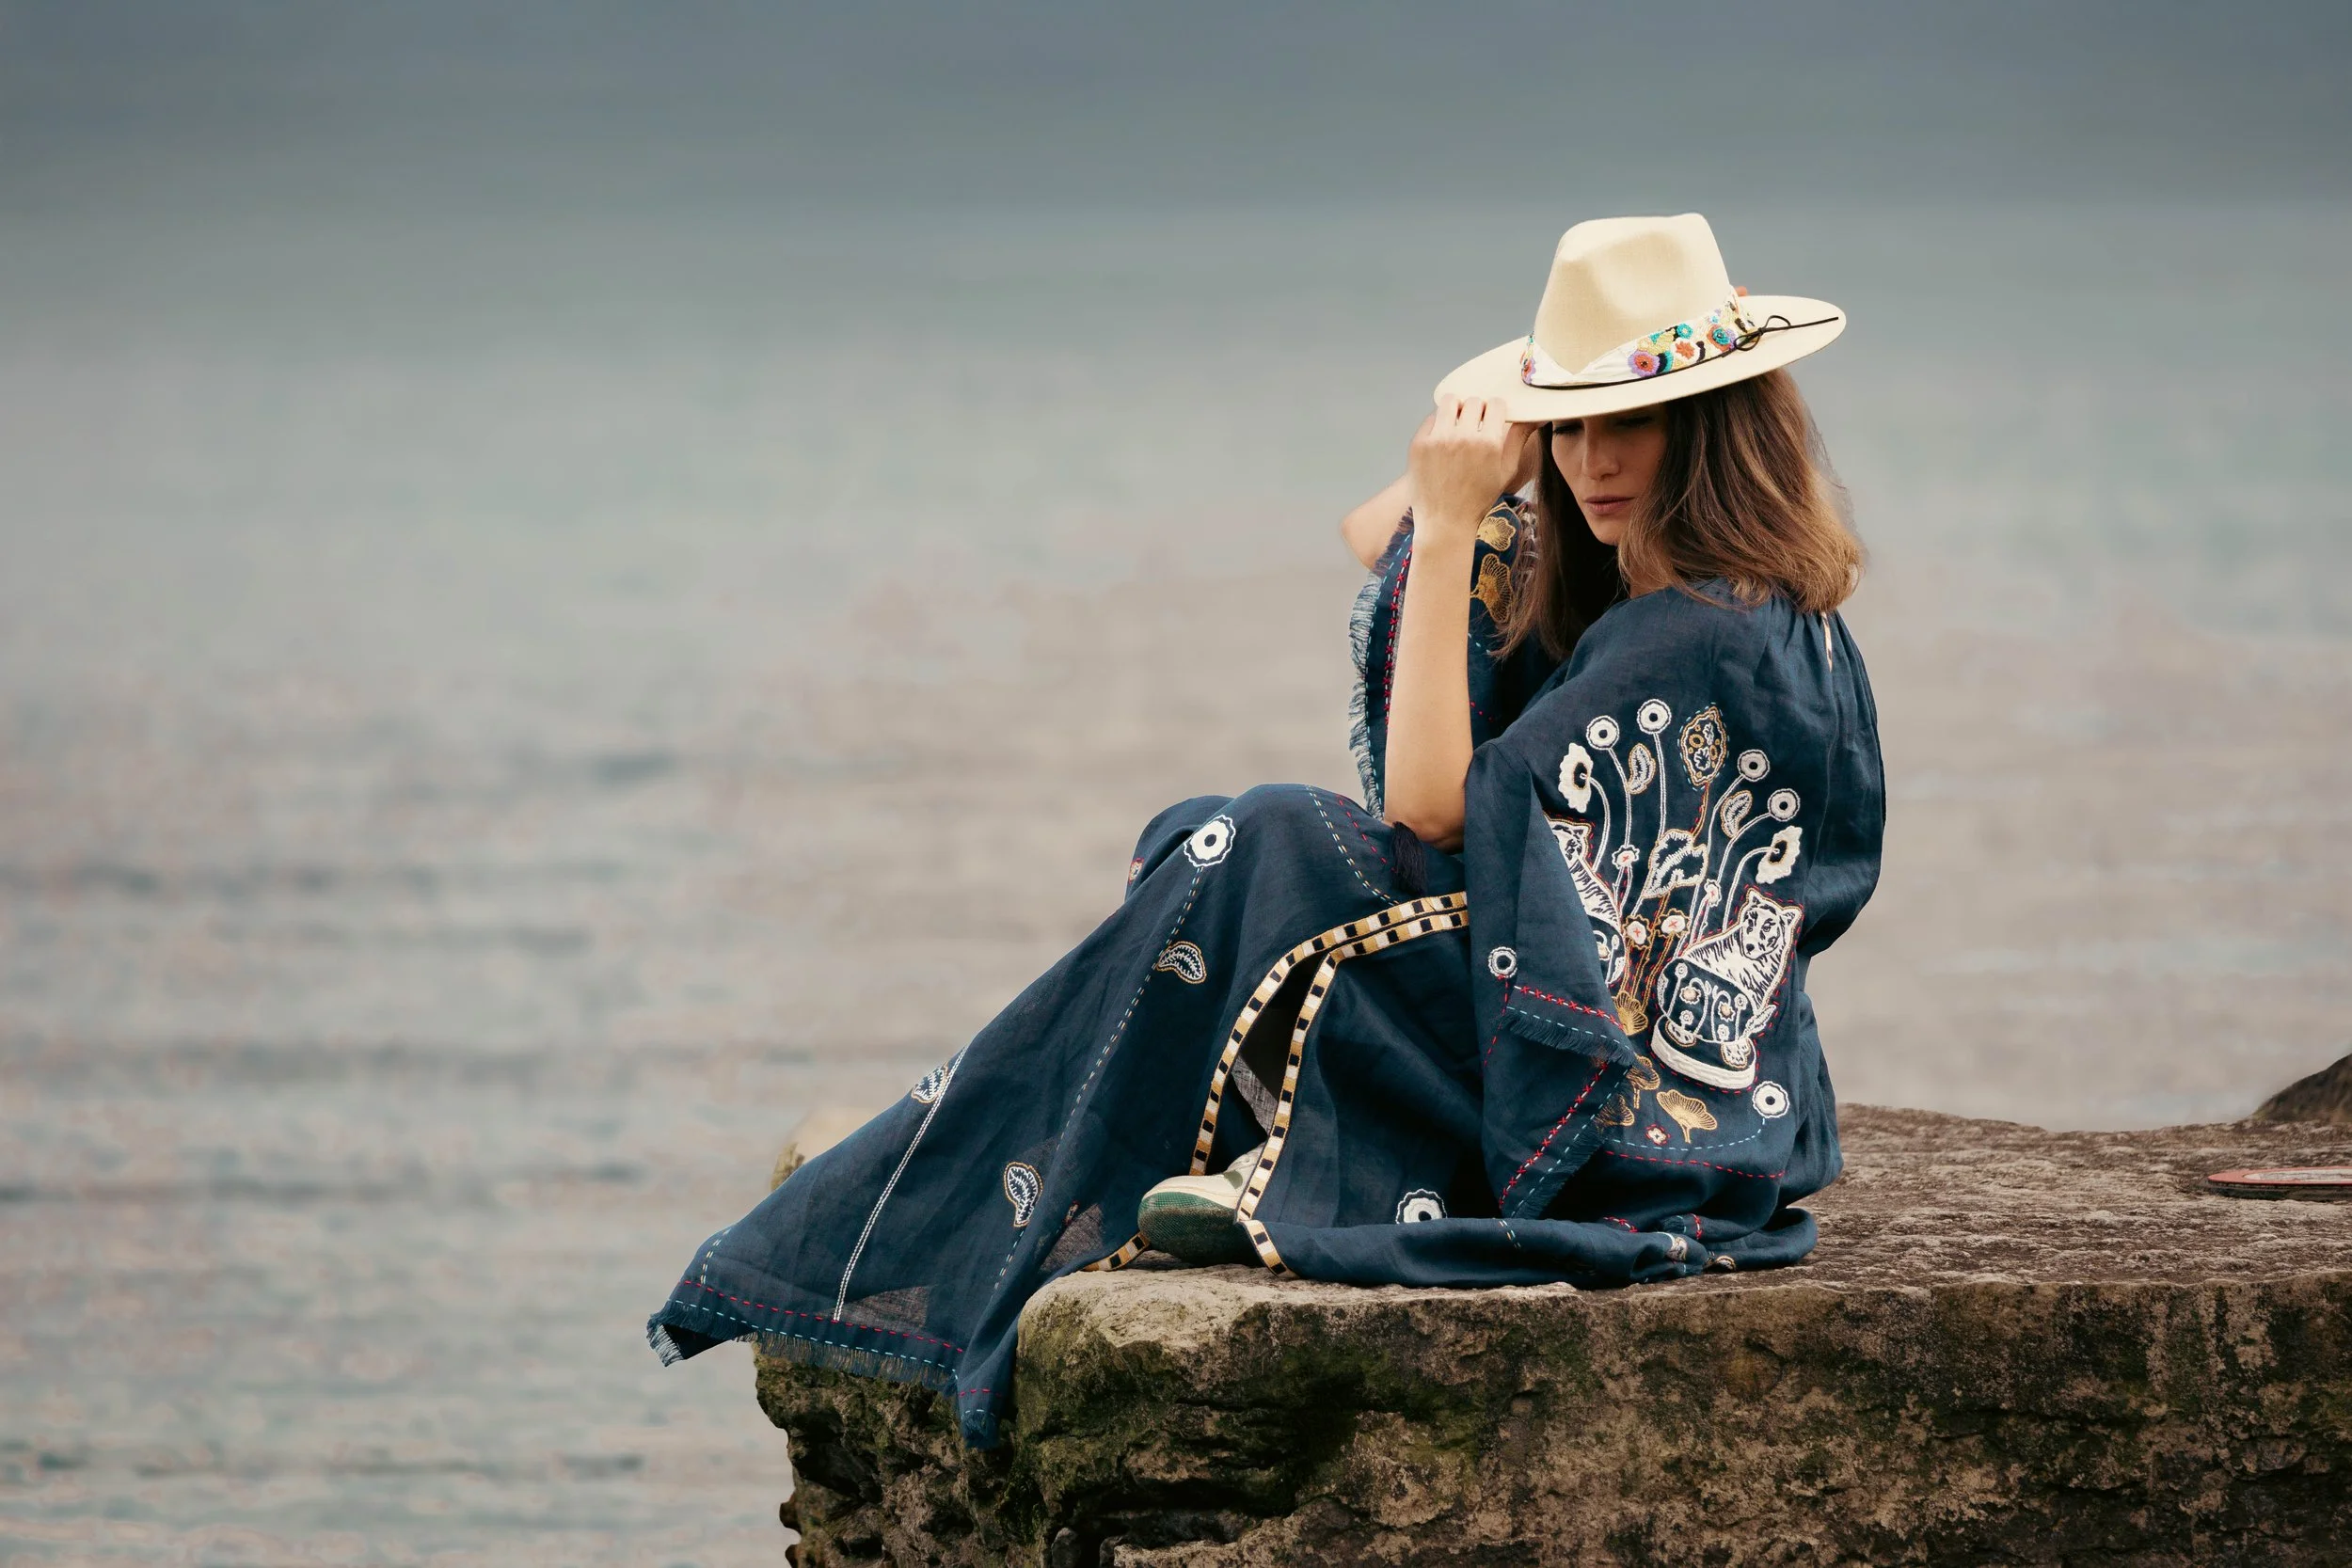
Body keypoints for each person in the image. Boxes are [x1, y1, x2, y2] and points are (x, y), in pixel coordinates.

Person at [645, 214, 1884, 1449]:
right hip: (1691, 1065)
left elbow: (1430, 810)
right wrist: (1481, 452)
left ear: (1714, 423)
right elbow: (1370, 534)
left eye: (1631, 421)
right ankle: (1258, 1144)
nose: (1590, 460)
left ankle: (1044, 1198)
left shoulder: (1684, 636)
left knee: (1265, 841)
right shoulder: (1736, 605)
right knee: (1225, 840)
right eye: (1568, 427)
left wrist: (1455, 519)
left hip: (1604, 1087)